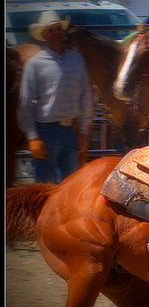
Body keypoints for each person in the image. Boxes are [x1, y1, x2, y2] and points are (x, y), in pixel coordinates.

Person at [17, 10, 93, 184]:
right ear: (43, 35)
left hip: (69, 130)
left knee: (71, 183)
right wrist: (33, 137)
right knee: (46, 186)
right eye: (51, 30)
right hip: (46, 131)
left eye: (58, 28)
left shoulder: (76, 60)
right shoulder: (35, 64)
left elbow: (86, 96)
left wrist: (82, 131)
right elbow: (25, 103)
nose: (56, 33)